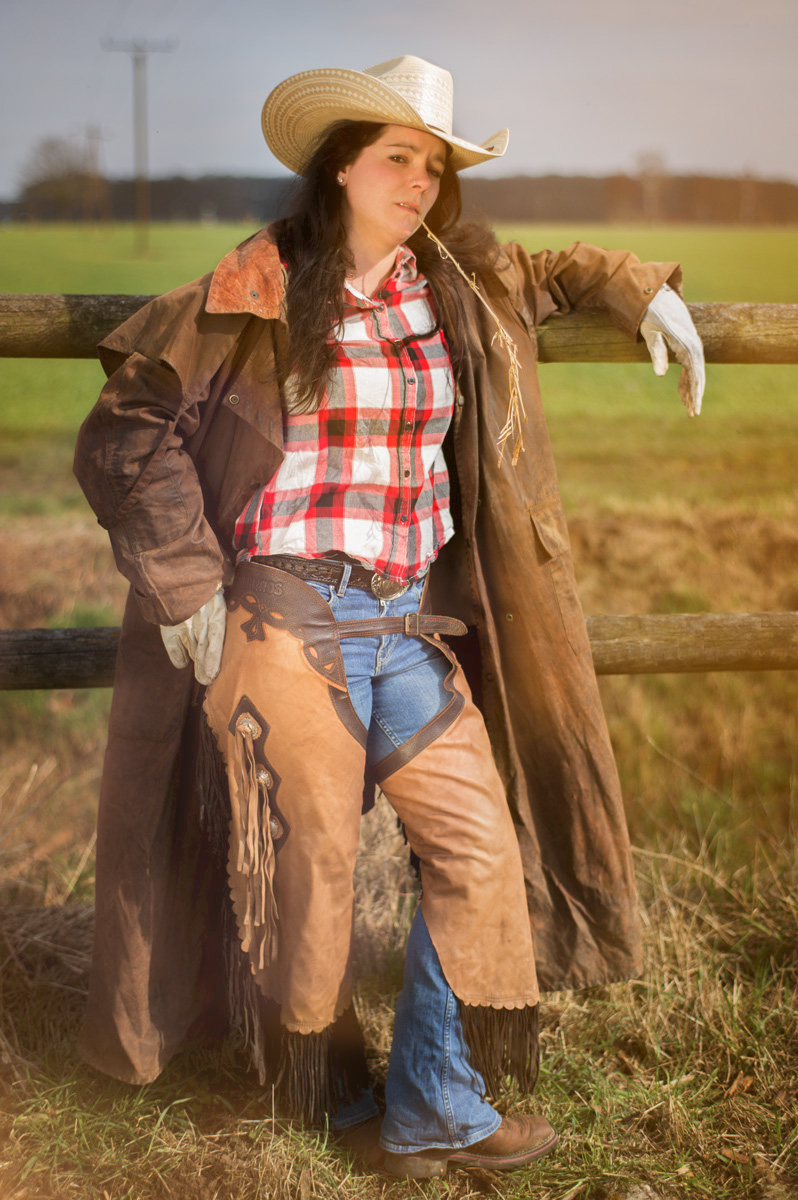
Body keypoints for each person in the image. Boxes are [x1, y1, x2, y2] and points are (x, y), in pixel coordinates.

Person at [73, 55, 705, 1180]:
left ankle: (429, 1098)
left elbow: (556, 268)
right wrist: (181, 585)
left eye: (435, 165)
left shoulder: (455, 280)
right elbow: (129, 423)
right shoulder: (259, 282)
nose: (421, 181)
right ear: (343, 166)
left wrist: (641, 284)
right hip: (284, 618)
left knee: (479, 848)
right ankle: (322, 1103)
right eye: (399, 158)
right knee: (305, 875)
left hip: (406, 623)